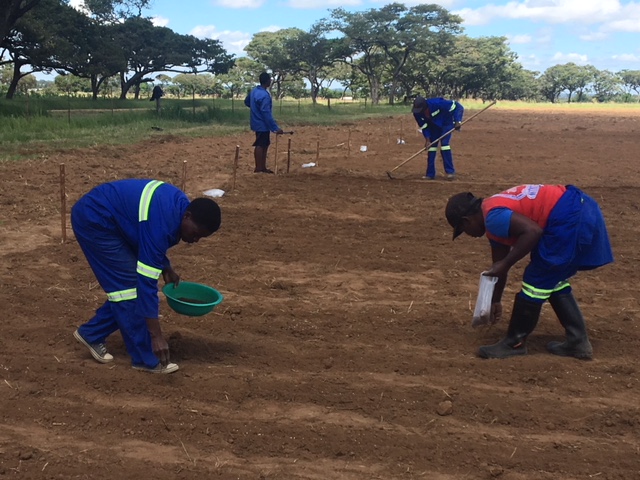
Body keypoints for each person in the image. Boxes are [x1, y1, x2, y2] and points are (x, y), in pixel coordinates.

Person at [445, 184, 613, 360]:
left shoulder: (493, 218)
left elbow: (533, 232)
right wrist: (495, 300)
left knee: (537, 277)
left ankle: (514, 343)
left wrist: (507, 263)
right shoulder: (492, 212)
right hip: (578, 207)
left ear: (466, 220)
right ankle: (577, 341)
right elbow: (499, 266)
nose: (468, 235)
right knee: (550, 275)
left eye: (463, 230)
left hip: (570, 215)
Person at [71, 179, 222, 374]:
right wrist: (156, 337)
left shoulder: (176, 209)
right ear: (187, 215)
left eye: (200, 238)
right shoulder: (165, 223)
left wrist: (165, 266)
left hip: (115, 221)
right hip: (95, 220)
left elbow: (149, 239)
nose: (194, 240)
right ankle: (145, 358)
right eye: (195, 233)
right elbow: (146, 284)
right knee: (129, 289)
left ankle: (91, 333)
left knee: (129, 292)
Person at [412, 95, 464, 180]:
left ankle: (450, 172)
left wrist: (457, 120)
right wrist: (427, 139)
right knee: (432, 147)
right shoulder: (417, 113)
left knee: (444, 145)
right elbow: (424, 126)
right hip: (433, 127)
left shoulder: (438, 103)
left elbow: (458, 106)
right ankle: (430, 174)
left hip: (446, 123)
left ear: (425, 106)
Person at [244, 72, 284, 174]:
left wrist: (254, 109)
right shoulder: (264, 95)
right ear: (267, 81)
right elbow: (266, 113)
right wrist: (275, 128)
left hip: (256, 122)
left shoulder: (254, 91)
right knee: (260, 144)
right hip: (262, 124)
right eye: (270, 80)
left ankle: (262, 167)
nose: (270, 81)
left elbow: (247, 101)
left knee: (264, 144)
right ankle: (259, 168)